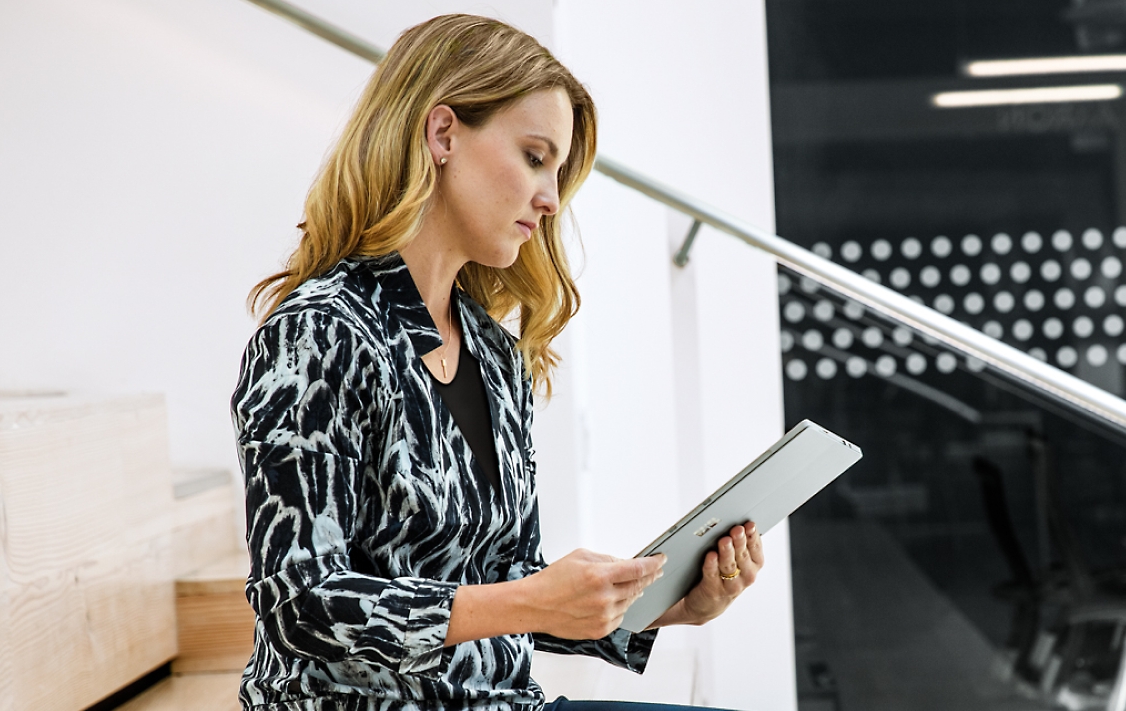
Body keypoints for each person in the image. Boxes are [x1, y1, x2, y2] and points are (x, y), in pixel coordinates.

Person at [230, 14, 763, 711]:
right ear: (443, 133)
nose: (550, 196)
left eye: (559, 170)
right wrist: (529, 597)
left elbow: (504, 582)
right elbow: (299, 602)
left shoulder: (492, 351)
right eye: (536, 156)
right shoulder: (319, 332)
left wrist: (663, 608)